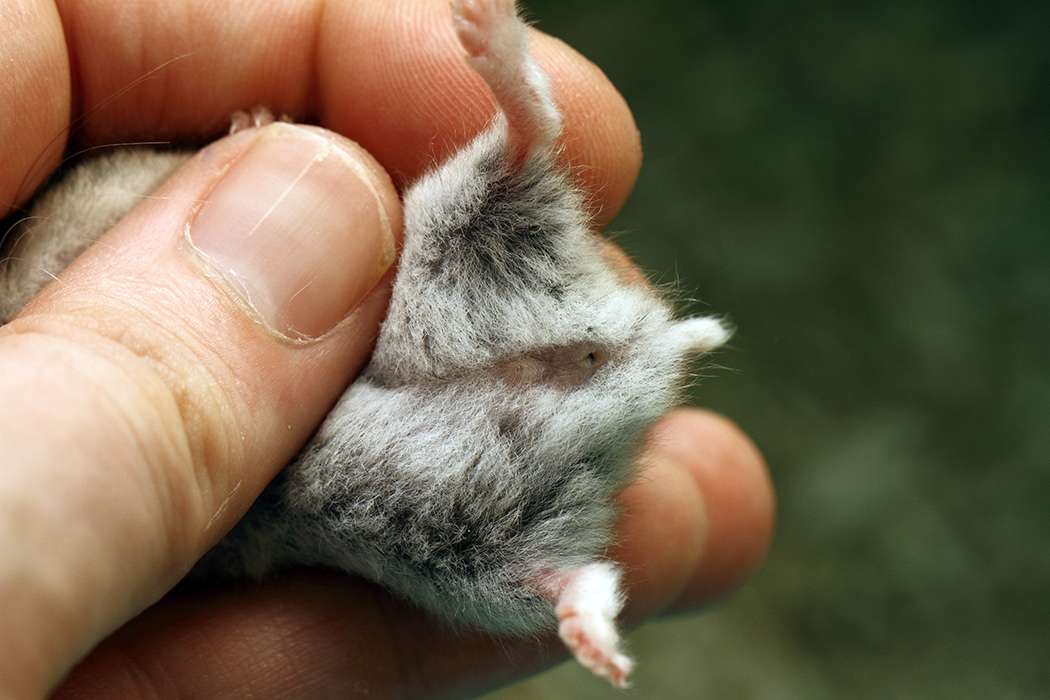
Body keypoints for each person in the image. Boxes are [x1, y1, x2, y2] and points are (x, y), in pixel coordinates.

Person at [0, 1, 775, 697]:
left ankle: (520, 112)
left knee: (453, 219)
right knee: (449, 556)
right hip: (356, 474)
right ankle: (570, 587)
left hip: (427, 328)